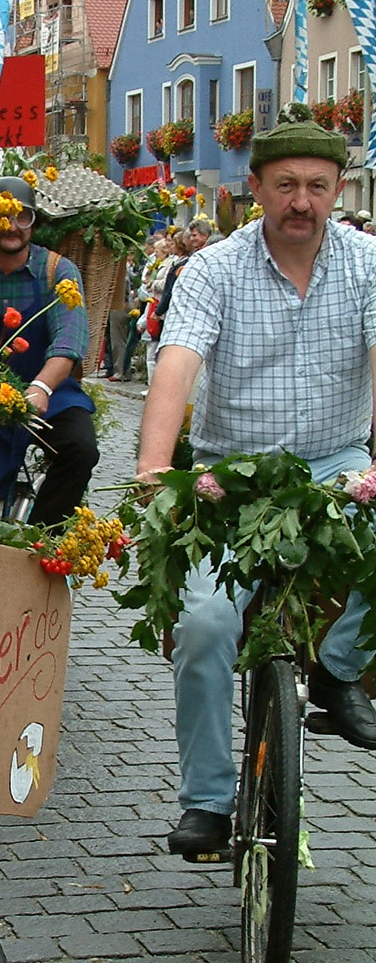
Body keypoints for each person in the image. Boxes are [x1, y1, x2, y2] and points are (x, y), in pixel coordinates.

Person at [137, 106, 376, 860]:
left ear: (337, 188)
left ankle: (338, 677)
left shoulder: (367, 264)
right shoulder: (212, 268)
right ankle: (207, 799)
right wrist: (153, 469)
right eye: (283, 185)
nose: (299, 201)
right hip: (228, 474)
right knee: (205, 624)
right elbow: (176, 363)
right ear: (254, 188)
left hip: (337, 461)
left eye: (315, 185)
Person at [0, 176, 98, 525]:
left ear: (33, 221)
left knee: (80, 449)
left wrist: (40, 388)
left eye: (22, 217)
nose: (11, 226)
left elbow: (69, 341)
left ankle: (41, 540)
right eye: (1, 216)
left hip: (48, 392)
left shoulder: (57, 270)